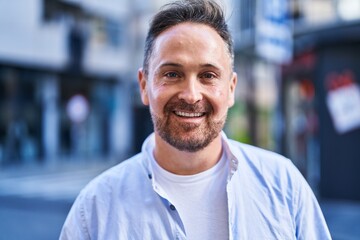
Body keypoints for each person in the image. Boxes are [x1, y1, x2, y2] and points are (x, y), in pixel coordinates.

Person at [60, 0, 331, 239]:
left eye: (208, 75)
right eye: (172, 74)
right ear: (144, 86)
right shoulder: (94, 208)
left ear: (231, 88)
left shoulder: (284, 186)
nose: (191, 95)